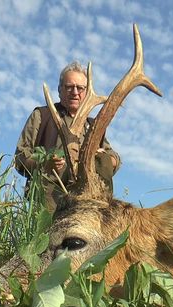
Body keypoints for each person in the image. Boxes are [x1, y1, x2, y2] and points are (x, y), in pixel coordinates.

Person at [15, 61, 121, 212]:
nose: (75, 92)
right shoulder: (42, 116)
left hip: (87, 201)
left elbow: (112, 156)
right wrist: (44, 163)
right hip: (50, 199)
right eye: (69, 87)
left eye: (80, 88)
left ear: (87, 92)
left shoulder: (93, 125)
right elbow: (20, 158)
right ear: (59, 90)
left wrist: (109, 160)